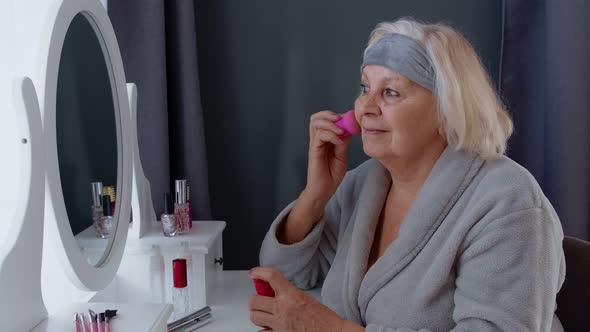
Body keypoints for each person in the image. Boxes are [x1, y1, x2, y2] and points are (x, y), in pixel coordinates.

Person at [248, 18, 565, 332]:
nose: (366, 107)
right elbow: (286, 278)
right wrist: (316, 195)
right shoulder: (363, 184)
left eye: (391, 93)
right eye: (365, 88)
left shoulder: (508, 202)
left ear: (446, 110)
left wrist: (329, 329)